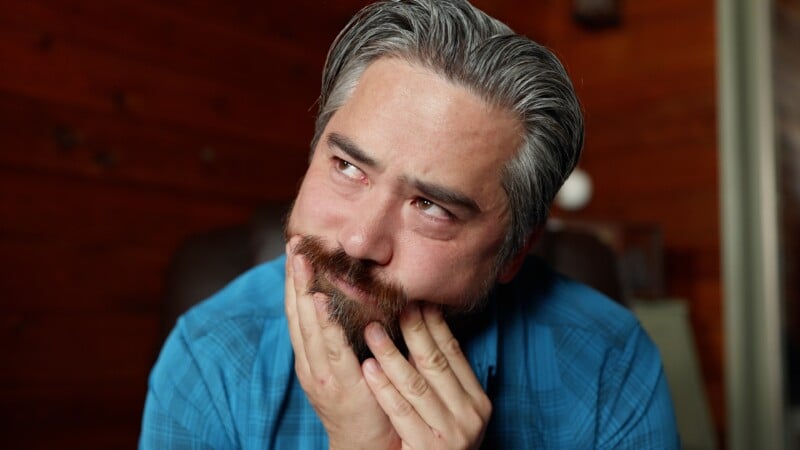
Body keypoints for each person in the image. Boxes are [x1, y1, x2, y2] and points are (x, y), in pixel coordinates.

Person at [140, 0, 679, 448]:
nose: (358, 240)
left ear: (515, 251)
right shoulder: (210, 356)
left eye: (432, 207)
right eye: (348, 168)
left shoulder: (610, 363)